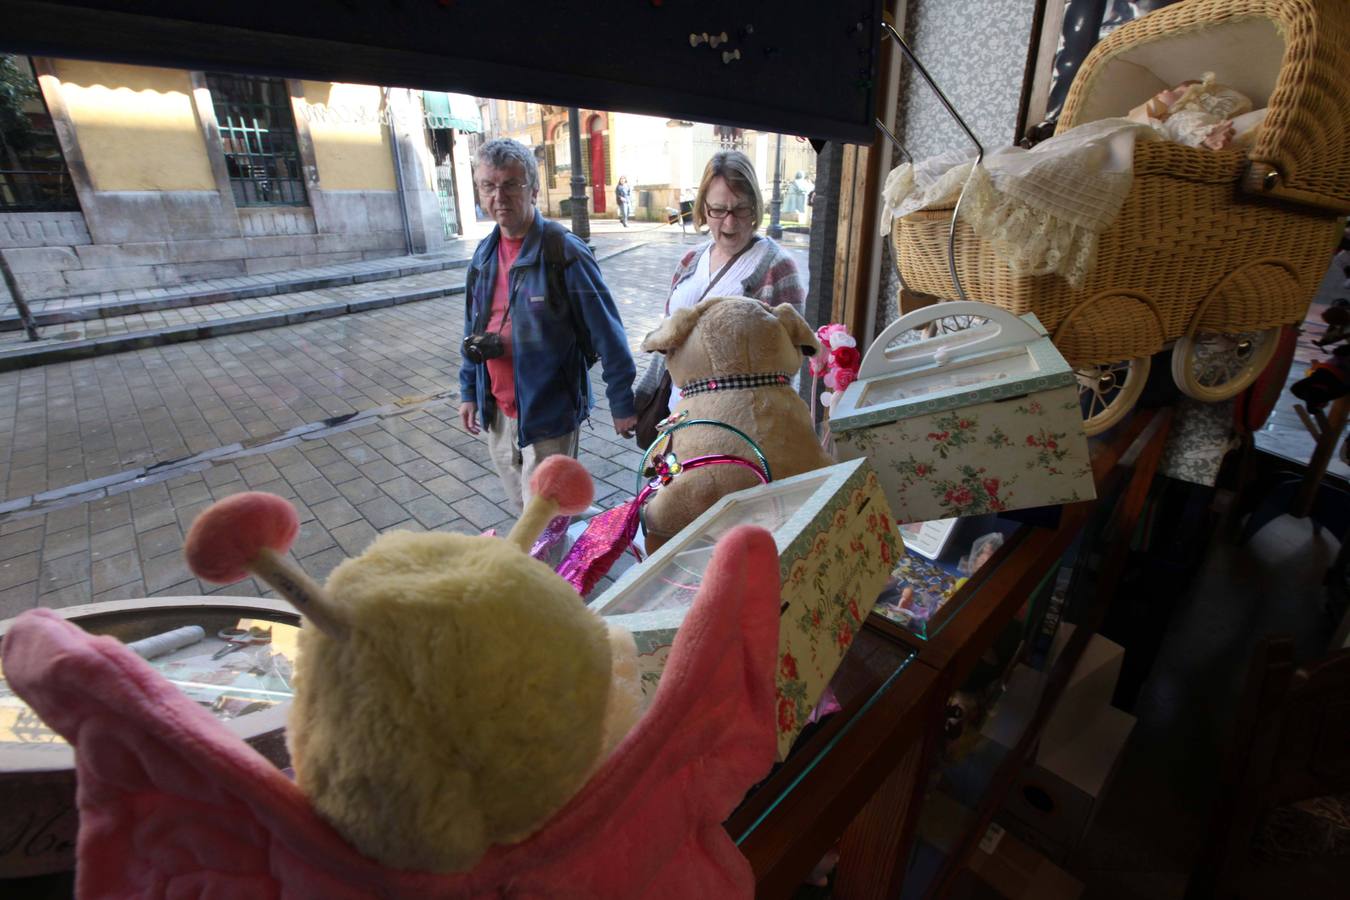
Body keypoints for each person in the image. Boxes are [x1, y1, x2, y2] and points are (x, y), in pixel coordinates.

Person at [458, 138, 638, 515]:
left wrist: (622, 402)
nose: (499, 196)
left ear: (534, 190)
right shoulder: (483, 255)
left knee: (539, 527)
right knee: (526, 508)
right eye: (488, 186)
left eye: (511, 184)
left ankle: (553, 567)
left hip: (549, 414)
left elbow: (609, 333)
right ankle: (576, 524)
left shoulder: (563, 251)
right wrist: (468, 391)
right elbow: (472, 327)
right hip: (499, 412)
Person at [658, 150, 806, 404]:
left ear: (755, 206)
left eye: (740, 209)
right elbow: (666, 337)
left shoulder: (778, 268)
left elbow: (788, 363)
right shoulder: (689, 260)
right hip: (678, 418)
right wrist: (641, 397)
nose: (729, 223)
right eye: (718, 210)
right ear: (704, 208)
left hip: (735, 430)